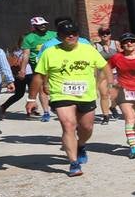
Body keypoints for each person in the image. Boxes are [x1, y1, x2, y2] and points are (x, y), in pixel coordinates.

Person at [33, 19, 109, 177]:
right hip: (61, 94)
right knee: (68, 125)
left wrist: (109, 84)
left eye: (74, 33)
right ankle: (74, 163)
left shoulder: (88, 49)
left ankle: (81, 145)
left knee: (87, 128)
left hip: (85, 94)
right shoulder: (50, 52)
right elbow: (39, 76)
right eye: (67, 34)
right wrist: (31, 99)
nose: (71, 36)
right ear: (59, 36)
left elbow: (104, 66)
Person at [21, 17, 55, 121]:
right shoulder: (29, 38)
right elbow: (26, 54)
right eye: (40, 25)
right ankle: (46, 112)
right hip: (38, 67)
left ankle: (56, 104)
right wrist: (23, 69)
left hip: (55, 65)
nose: (43, 26)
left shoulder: (53, 35)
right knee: (42, 90)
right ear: (34, 26)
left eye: (44, 24)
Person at [0, 38, 30, 116]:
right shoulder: (20, 52)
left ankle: (31, 108)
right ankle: (3, 106)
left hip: (25, 74)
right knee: (21, 94)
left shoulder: (17, 52)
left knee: (25, 93)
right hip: (24, 74)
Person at [94, 28, 120, 123]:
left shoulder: (116, 43)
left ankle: (112, 107)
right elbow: (93, 59)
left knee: (116, 95)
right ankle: (106, 116)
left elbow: (122, 55)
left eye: (107, 33)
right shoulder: (96, 46)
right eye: (102, 33)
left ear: (110, 34)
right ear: (99, 35)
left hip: (115, 72)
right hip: (102, 74)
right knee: (104, 94)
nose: (104, 35)